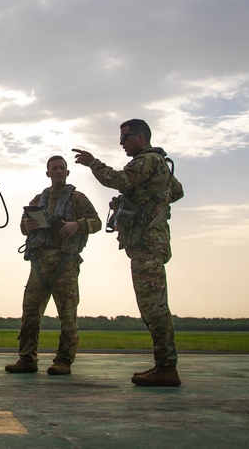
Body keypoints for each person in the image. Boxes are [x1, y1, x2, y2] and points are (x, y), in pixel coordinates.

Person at [73, 119, 184, 386]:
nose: (121, 142)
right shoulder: (158, 163)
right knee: (153, 305)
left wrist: (93, 163)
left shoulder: (146, 161)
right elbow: (177, 191)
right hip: (150, 243)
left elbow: (119, 179)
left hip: (147, 244)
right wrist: (149, 196)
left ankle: (167, 368)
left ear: (141, 137)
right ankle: (163, 365)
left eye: (125, 137)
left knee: (153, 307)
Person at [5, 155, 101, 376]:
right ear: (47, 173)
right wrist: (28, 225)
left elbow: (97, 222)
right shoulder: (38, 199)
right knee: (30, 311)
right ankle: (27, 358)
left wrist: (78, 225)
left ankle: (64, 360)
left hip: (65, 263)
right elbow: (23, 227)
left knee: (68, 314)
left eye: (62, 168)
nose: (58, 171)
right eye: (54, 168)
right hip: (39, 263)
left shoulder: (78, 199)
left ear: (67, 172)